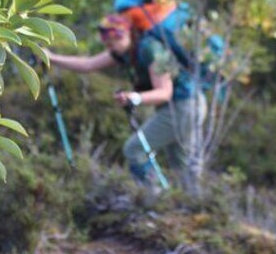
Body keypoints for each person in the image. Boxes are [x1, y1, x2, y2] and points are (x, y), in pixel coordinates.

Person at [44, 14, 205, 188]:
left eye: (115, 38)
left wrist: (134, 98)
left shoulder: (151, 49)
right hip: (182, 107)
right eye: (106, 39)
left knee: (134, 150)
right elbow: (88, 65)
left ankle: (153, 197)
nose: (110, 43)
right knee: (182, 165)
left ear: (128, 33)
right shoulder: (124, 52)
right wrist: (51, 58)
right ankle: (194, 205)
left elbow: (165, 92)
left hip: (184, 106)